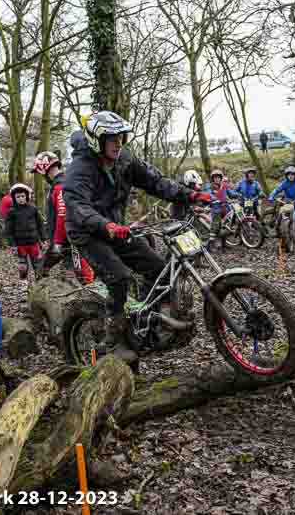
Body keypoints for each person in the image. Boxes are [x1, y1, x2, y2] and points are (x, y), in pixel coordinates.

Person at [63, 110, 212, 369]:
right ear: (96, 140)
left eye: (121, 137)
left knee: (158, 269)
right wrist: (105, 225)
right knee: (119, 277)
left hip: (116, 228)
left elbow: (155, 182)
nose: (118, 143)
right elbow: (77, 206)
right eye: (112, 138)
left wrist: (189, 196)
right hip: (88, 232)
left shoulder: (125, 160)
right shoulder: (80, 169)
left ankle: (147, 321)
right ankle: (114, 339)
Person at [31, 150, 94, 284]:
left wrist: (57, 242)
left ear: (43, 169)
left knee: (75, 275)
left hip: (67, 241)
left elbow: (62, 214)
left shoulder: (60, 186)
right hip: (66, 239)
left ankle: (83, 293)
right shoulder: (63, 184)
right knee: (46, 269)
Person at [4, 184, 44, 285]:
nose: (21, 199)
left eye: (22, 196)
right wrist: (12, 244)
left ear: (27, 196)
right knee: (23, 266)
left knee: (38, 264)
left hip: (34, 243)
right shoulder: (11, 212)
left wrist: (43, 239)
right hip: (20, 244)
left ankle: (40, 282)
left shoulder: (33, 209)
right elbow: (8, 230)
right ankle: (23, 282)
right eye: (18, 197)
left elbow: (40, 225)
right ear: (14, 198)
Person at [268, 166, 295, 235]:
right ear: (286, 175)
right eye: (289, 174)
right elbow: (277, 190)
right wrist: (271, 195)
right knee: (281, 213)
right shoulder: (285, 183)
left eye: (292, 174)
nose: (290, 176)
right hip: (288, 202)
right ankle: (278, 228)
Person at [205, 168, 238, 241]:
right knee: (216, 225)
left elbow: (231, 193)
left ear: (221, 178)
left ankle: (224, 243)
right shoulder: (209, 186)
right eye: (215, 177)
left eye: (218, 177)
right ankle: (210, 243)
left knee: (226, 226)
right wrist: (214, 199)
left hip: (225, 208)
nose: (217, 179)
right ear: (212, 179)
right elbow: (209, 194)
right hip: (216, 208)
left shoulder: (224, 185)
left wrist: (238, 195)